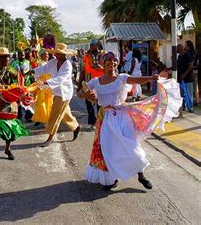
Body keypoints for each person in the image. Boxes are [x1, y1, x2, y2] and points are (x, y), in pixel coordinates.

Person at [78, 52, 182, 191]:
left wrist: (151, 78)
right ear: (103, 64)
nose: (112, 64)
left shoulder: (122, 78)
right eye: (108, 62)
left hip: (122, 117)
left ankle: (141, 176)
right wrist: (86, 93)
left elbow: (136, 80)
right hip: (106, 119)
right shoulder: (96, 81)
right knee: (109, 149)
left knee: (130, 146)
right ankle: (111, 178)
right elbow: (80, 93)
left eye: (114, 61)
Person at [33, 43, 80, 147]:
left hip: (64, 92)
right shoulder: (53, 62)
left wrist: (45, 83)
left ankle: (50, 138)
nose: (57, 55)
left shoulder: (67, 65)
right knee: (65, 114)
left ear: (65, 55)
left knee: (55, 114)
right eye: (57, 53)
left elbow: (61, 78)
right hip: (56, 91)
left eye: (60, 54)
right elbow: (43, 69)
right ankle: (75, 127)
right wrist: (32, 71)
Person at [77, 39, 104, 128]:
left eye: (93, 45)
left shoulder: (104, 55)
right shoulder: (86, 56)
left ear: (98, 45)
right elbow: (82, 70)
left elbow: (111, 67)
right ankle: (92, 122)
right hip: (89, 83)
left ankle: (101, 122)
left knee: (100, 103)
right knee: (89, 103)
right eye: (90, 45)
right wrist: (79, 84)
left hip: (101, 83)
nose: (91, 46)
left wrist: (102, 67)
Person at [32, 50, 52, 127]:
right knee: (43, 103)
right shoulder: (41, 63)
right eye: (45, 54)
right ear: (42, 56)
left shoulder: (48, 63)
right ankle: (44, 120)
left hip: (49, 86)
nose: (47, 56)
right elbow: (39, 74)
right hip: (43, 86)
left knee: (47, 103)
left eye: (47, 54)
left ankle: (43, 119)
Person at [177, 42, 195, 112]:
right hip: (181, 79)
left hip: (188, 78)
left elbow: (191, 66)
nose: (176, 50)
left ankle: (190, 107)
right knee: (182, 93)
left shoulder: (187, 55)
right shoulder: (179, 56)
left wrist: (184, 74)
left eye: (177, 48)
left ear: (181, 48)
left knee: (188, 93)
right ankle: (184, 106)